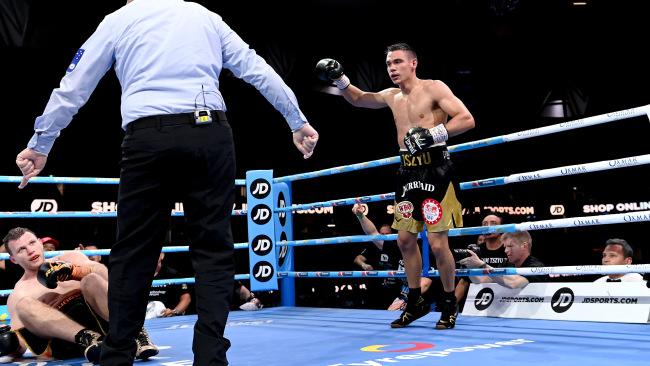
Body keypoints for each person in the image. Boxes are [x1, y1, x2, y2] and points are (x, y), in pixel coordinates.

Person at [15, 1, 318, 364]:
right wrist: (296, 120)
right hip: (210, 134)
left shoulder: (118, 19)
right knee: (213, 250)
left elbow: (74, 85)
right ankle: (210, 357)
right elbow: (257, 69)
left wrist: (41, 143)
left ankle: (117, 356)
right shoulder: (205, 16)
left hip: (148, 137)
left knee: (133, 253)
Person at [317, 43, 475, 329]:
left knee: (439, 244)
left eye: (398, 62)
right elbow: (359, 99)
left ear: (413, 63)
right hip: (407, 173)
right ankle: (415, 302)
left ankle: (449, 302)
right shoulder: (391, 96)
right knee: (404, 240)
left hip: (436, 172)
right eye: (389, 63)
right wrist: (340, 79)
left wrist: (432, 134)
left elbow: (466, 119)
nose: (392, 68)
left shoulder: (434, 88)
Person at [0, 227, 158, 363]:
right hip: (67, 341)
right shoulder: (18, 293)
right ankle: (91, 339)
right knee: (24, 305)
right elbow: (25, 342)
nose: (30, 250)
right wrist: (9, 342)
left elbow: (108, 278)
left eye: (32, 243)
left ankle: (137, 334)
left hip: (105, 323)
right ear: (13, 259)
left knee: (91, 278)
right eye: (21, 249)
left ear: (40, 243)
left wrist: (74, 271)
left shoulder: (70, 258)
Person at [351, 204, 431, 311]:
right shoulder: (396, 248)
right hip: (402, 293)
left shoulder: (426, 252)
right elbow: (373, 233)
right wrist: (360, 216)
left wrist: (404, 299)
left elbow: (425, 283)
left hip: (420, 297)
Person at [455, 214, 508, 308]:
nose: (488, 226)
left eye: (493, 223)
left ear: (502, 228)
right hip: (479, 301)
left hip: (506, 298)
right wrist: (451, 306)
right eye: (485, 224)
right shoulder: (475, 251)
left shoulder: (509, 249)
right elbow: (464, 281)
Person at [460, 231, 545, 288]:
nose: (506, 250)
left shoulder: (536, 266)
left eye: (510, 246)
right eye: (505, 247)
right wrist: (470, 266)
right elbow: (483, 281)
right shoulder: (507, 263)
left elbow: (514, 283)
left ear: (524, 246)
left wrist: (482, 265)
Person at [147, 252, 192, 318]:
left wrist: (174, 311)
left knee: (158, 305)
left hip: (166, 316)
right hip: (143, 314)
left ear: (162, 255)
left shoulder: (172, 274)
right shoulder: (137, 275)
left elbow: (186, 298)